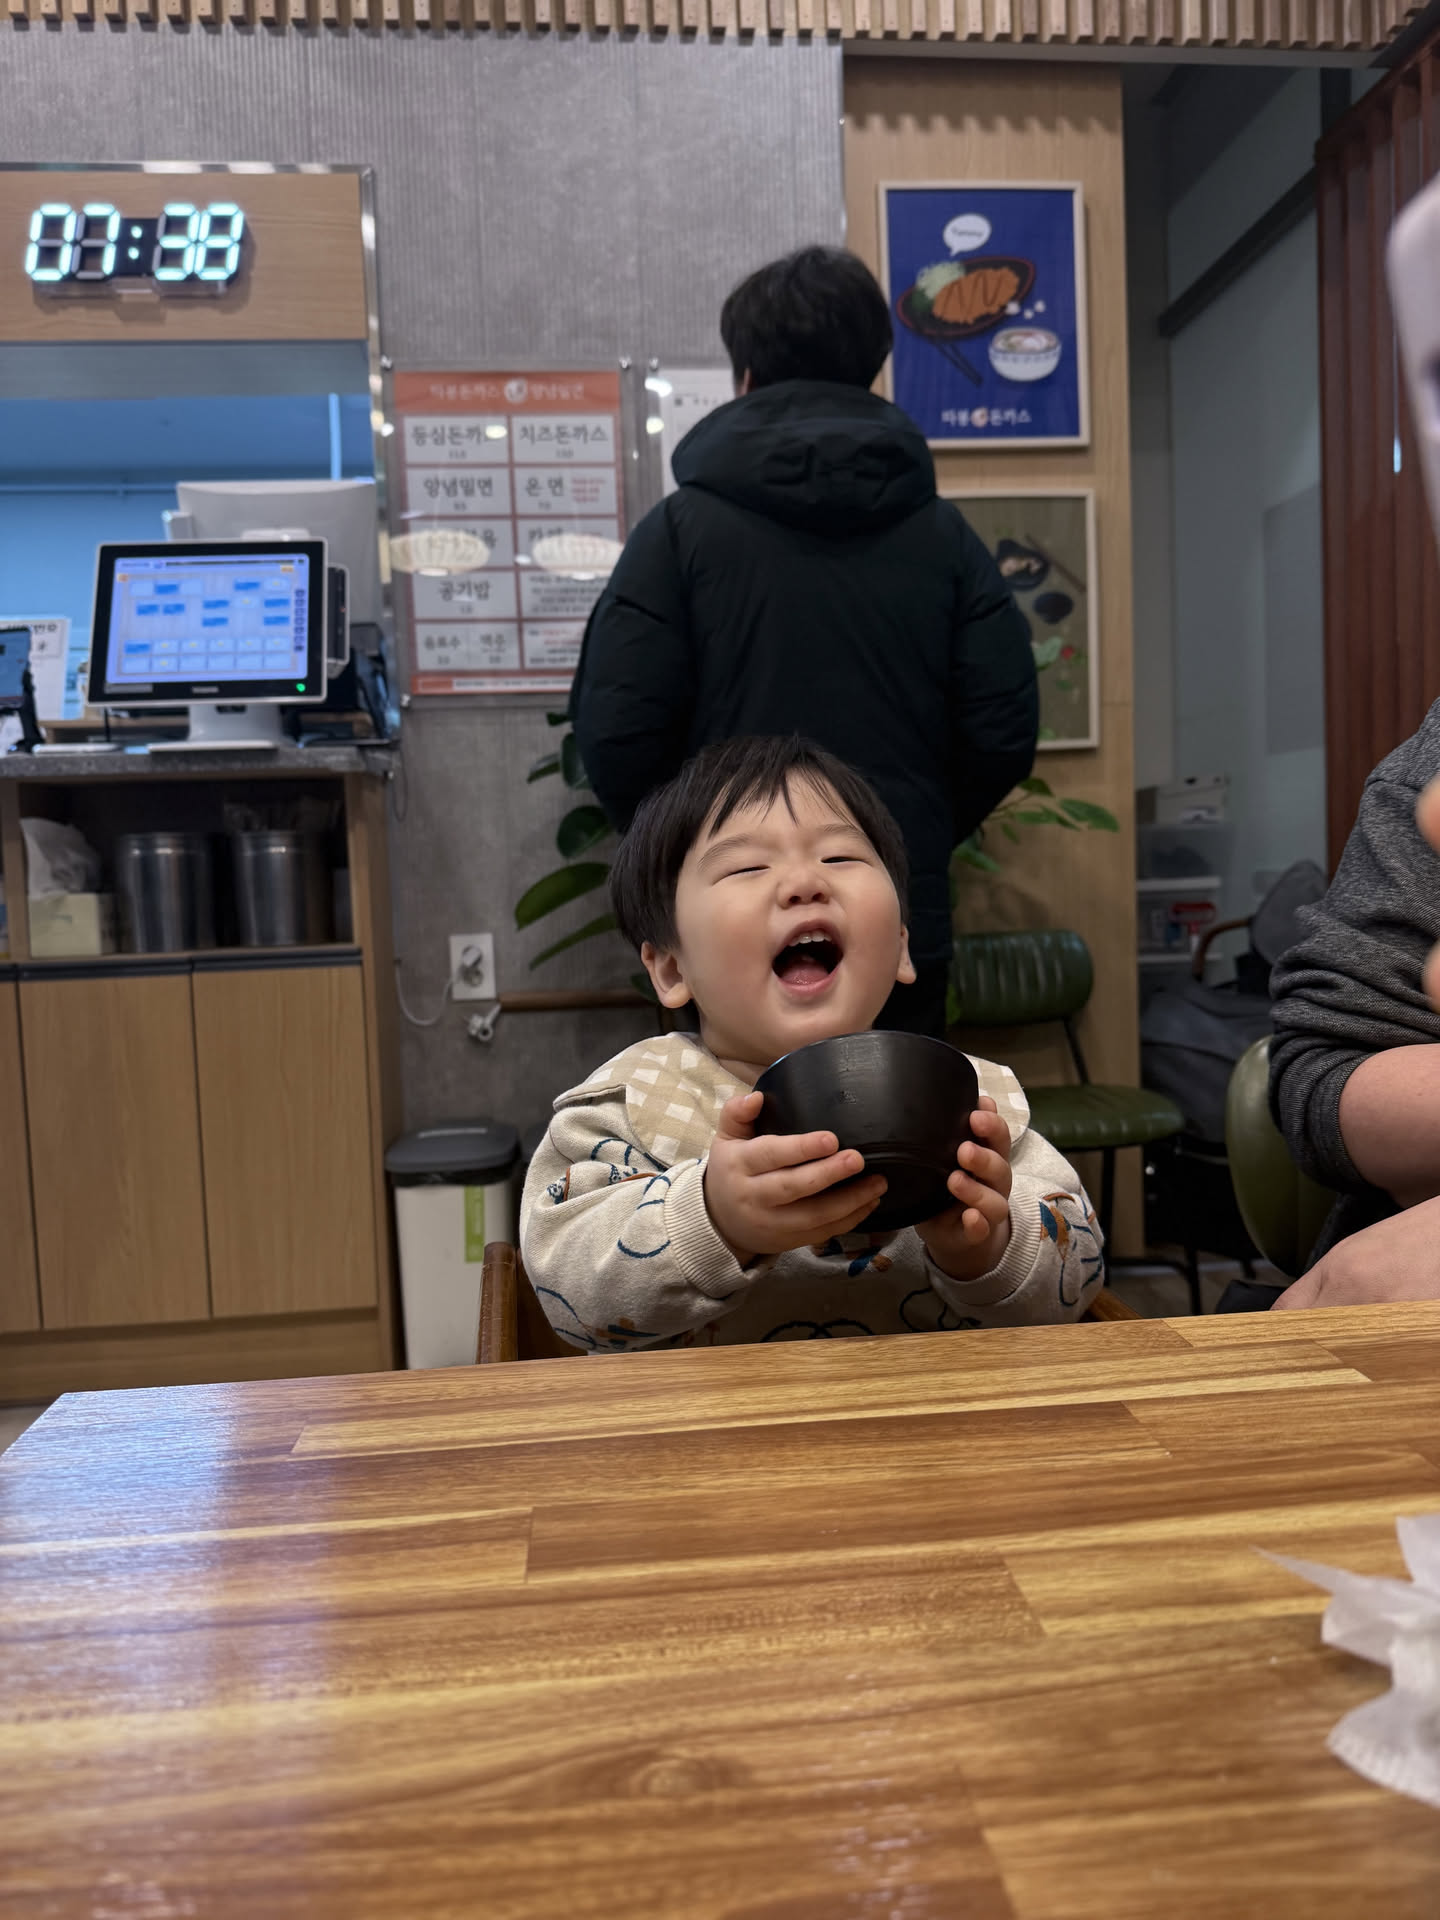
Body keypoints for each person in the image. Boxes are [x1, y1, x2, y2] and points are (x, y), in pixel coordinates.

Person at [569, 246, 1038, 1040]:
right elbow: (1002, 733)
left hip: (727, 927)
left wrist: (706, 855)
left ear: (745, 376)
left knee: (726, 1117)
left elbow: (616, 735)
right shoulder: (943, 538)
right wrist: (885, 843)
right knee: (900, 1113)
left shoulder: (678, 534)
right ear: (874, 373)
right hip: (888, 920)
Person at [520, 736, 1101, 1351]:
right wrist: (710, 1220)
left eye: (840, 857)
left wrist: (990, 1247)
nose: (804, 883)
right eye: (747, 867)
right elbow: (566, 1294)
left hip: (932, 1410)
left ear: (902, 947)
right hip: (707, 1416)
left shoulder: (969, 1104)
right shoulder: (630, 1107)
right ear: (670, 967)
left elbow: (1080, 1278)